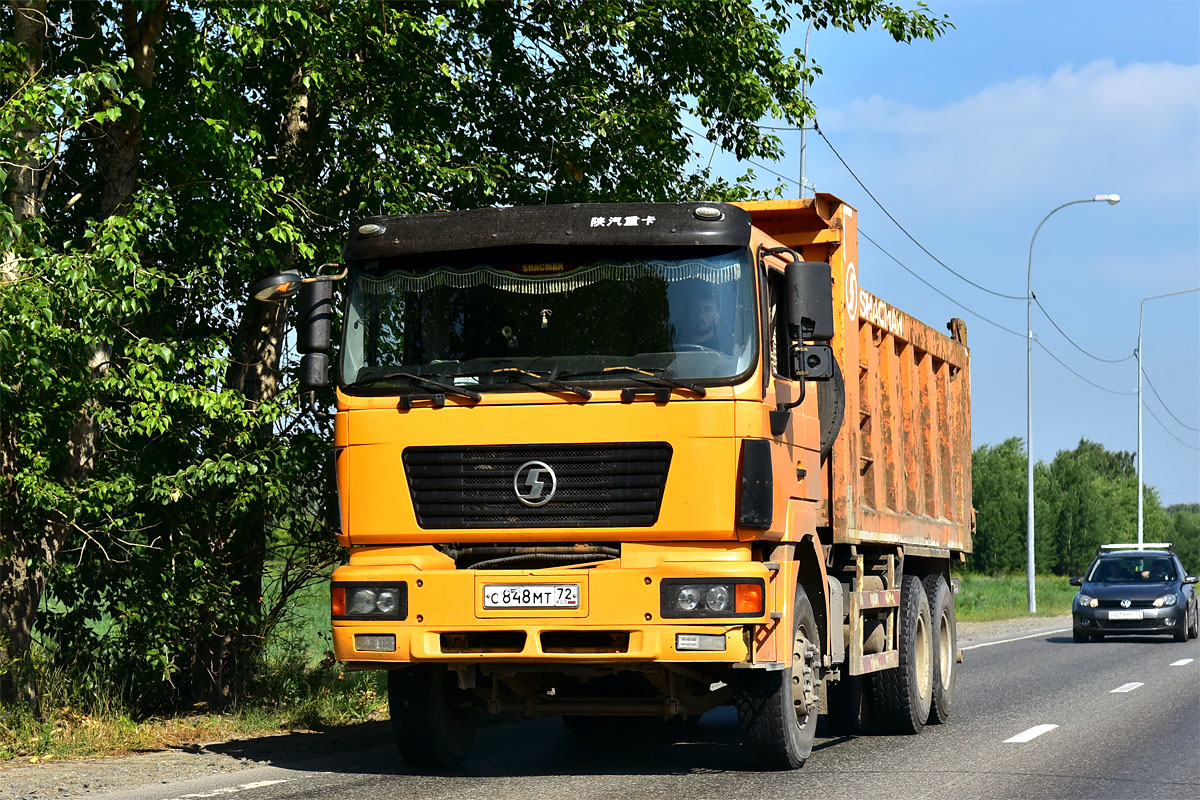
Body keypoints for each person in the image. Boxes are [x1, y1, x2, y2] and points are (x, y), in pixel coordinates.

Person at [675, 282, 721, 350]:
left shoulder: (723, 350)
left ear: (717, 316)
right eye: (695, 309)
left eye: (707, 310)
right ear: (687, 312)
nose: (700, 316)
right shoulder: (673, 346)